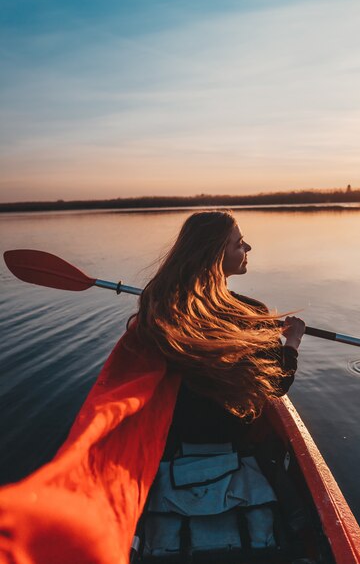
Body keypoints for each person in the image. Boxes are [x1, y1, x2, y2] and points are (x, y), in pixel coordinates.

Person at [130, 210, 306, 562]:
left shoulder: (157, 311)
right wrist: (292, 343)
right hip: (234, 437)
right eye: (240, 243)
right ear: (215, 254)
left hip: (177, 440)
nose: (248, 247)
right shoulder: (250, 313)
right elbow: (276, 385)